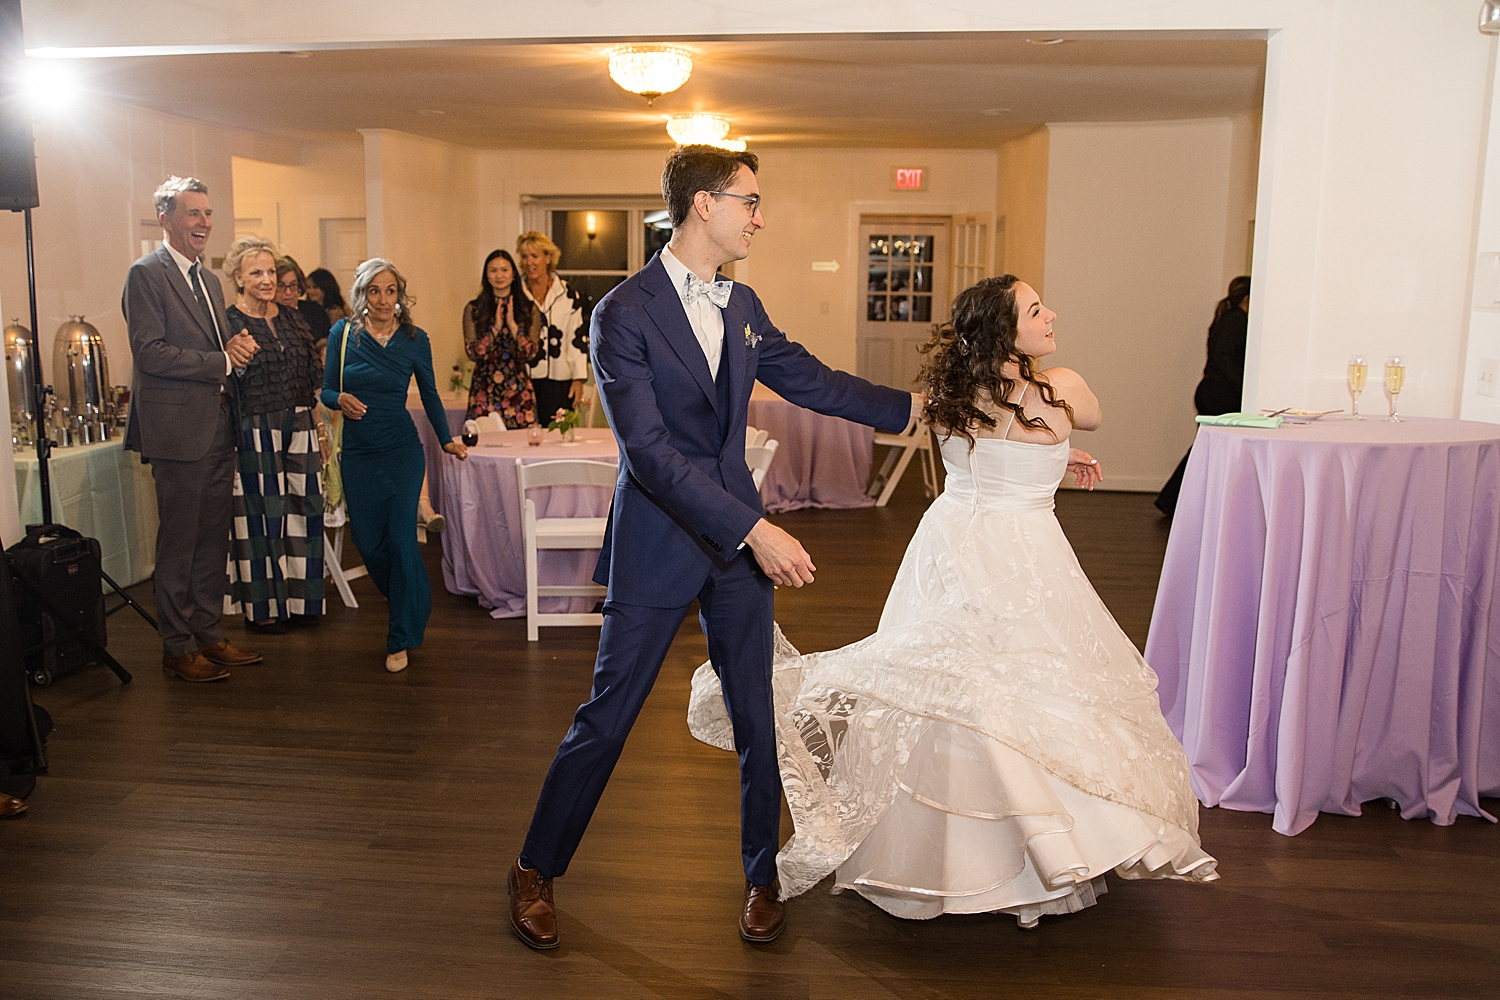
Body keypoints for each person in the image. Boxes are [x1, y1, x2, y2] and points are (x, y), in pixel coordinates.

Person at [689, 275, 1219, 928]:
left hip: (951, 543)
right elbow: (1079, 419)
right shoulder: (1065, 389)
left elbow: (995, 450)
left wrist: (1051, 451)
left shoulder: (950, 394)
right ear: (1005, 330)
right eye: (1034, 309)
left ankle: (945, 848)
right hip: (1023, 551)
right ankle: (1042, 844)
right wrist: (1055, 445)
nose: (1051, 314)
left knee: (946, 686)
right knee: (1033, 682)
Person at [508, 145, 918, 951]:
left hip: (733, 553)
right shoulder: (622, 313)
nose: (759, 217)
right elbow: (651, 455)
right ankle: (534, 867)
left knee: (757, 716)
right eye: (750, 202)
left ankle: (761, 877)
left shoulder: (744, 304)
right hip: (664, 541)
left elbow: (817, 381)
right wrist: (756, 528)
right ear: (703, 204)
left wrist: (918, 408)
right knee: (609, 718)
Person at [122, 176, 264, 683]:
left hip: (217, 426)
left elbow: (221, 351)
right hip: (177, 433)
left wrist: (238, 354)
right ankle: (176, 647)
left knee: (211, 539)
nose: (204, 223)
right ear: (166, 219)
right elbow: (149, 352)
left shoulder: (208, 279)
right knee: (179, 543)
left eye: (207, 213)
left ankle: (208, 634)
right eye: (193, 214)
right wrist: (219, 360)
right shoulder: (146, 275)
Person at [320, 258, 467, 673]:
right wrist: (338, 400)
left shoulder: (415, 339)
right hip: (359, 454)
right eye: (375, 290)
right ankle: (410, 596)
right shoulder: (342, 334)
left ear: (399, 296)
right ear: (362, 294)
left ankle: (400, 636)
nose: (383, 299)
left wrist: (446, 440)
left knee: (402, 539)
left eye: (390, 291)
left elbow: (431, 395)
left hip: (402, 450)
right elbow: (328, 388)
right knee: (368, 543)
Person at [222, 236, 326, 634]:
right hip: (255, 424)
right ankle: (263, 607)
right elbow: (227, 384)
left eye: (270, 271)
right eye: (256, 273)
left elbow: (309, 379)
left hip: (299, 420)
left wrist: (319, 427)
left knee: (305, 508)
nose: (266, 280)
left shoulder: (290, 317)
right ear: (239, 277)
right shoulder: (229, 322)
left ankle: (303, 600)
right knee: (260, 517)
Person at [1154, 275, 1250, 516]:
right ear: (1248, 298)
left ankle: (1175, 499)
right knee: (1207, 449)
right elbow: (1226, 360)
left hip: (1212, 390)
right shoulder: (1237, 321)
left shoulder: (1226, 318)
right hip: (1221, 393)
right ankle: (1174, 499)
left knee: (1204, 448)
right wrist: (1245, 387)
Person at [463, 249, 543, 427]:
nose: (499, 275)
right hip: (484, 389)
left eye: (504, 270)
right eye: (493, 270)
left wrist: (513, 326)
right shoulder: (474, 309)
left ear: (513, 274)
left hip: (518, 390)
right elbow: (473, 353)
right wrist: (496, 328)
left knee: (521, 445)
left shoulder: (529, 309)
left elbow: (531, 354)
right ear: (487, 276)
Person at [516, 231, 589, 422]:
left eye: (534, 256)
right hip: (522, 380)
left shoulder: (568, 295)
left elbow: (577, 339)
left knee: (558, 438)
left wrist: (578, 379)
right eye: (524, 257)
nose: (529, 262)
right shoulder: (515, 296)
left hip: (560, 380)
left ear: (547, 258)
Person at [275, 256, 332, 351]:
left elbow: (328, 340)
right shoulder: (268, 317)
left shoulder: (315, 311)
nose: (288, 292)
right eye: (281, 286)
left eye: (293, 285)